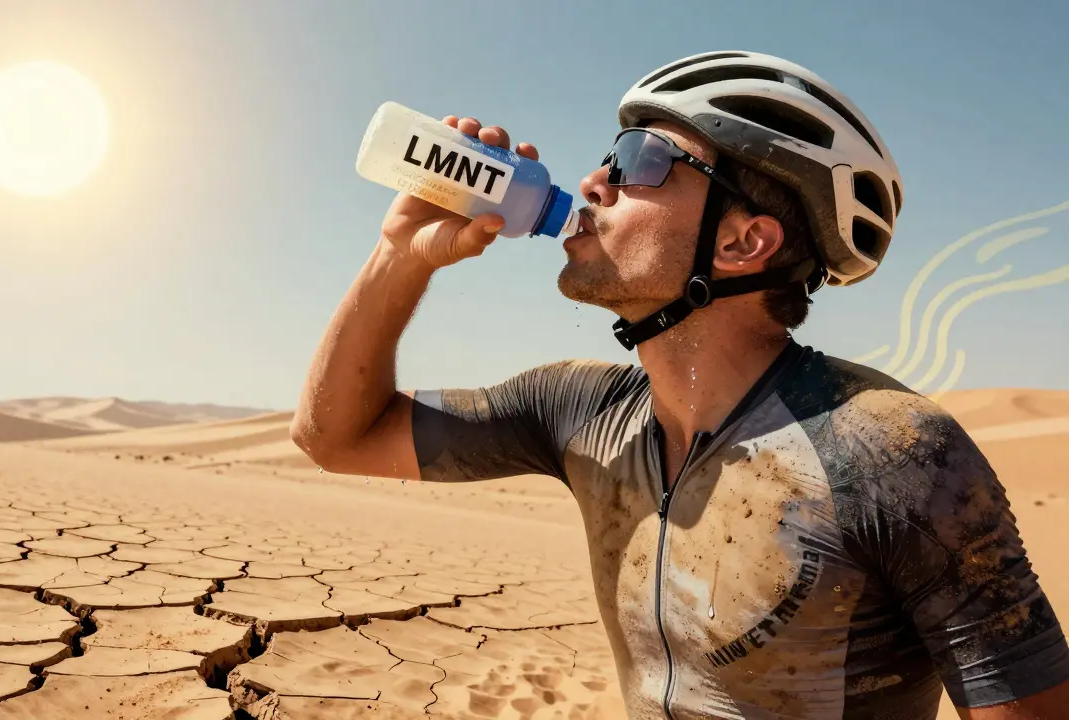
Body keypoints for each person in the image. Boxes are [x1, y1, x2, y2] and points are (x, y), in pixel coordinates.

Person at [290, 50, 1069, 719]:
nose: (594, 181)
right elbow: (336, 437)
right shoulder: (576, 411)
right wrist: (402, 254)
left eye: (638, 160)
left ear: (743, 241)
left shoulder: (893, 453)